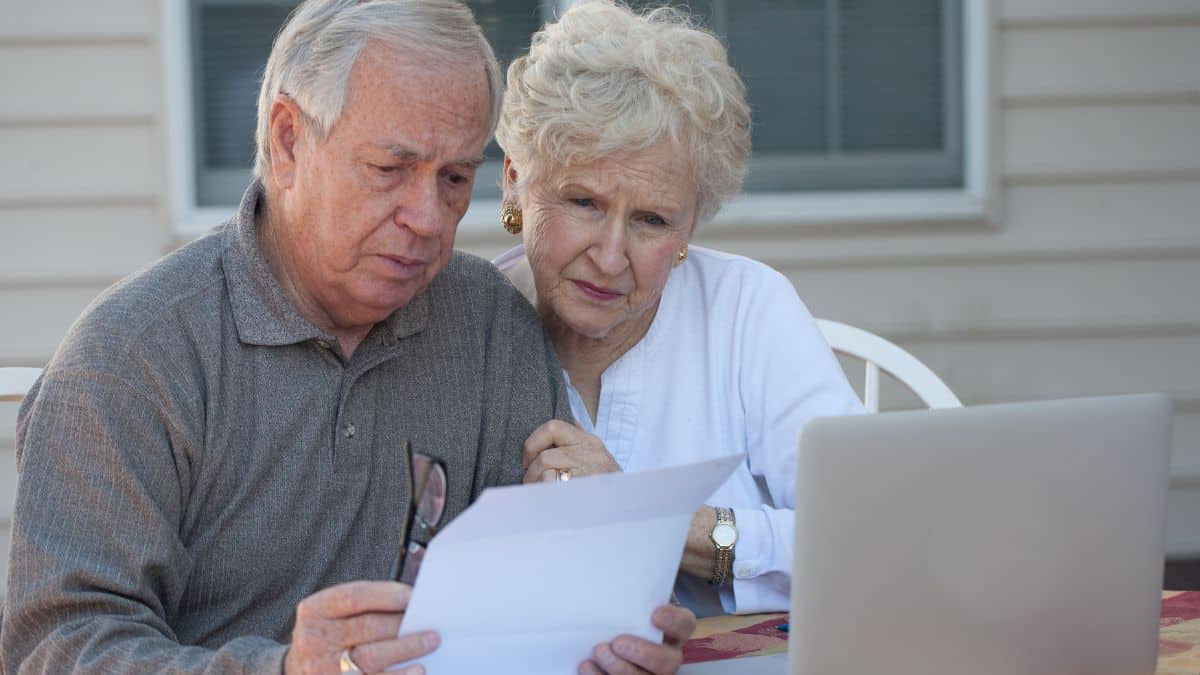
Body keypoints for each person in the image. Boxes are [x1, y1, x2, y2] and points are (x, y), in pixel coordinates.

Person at [0, 1, 693, 673]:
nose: (428, 217)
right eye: (390, 170)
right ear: (288, 142)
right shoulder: (131, 359)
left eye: (455, 178)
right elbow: (53, 649)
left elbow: (535, 592)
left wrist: (605, 628)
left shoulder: (488, 323)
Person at [493, 1, 865, 618]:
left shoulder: (747, 310)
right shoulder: (464, 331)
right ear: (514, 182)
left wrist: (651, 520)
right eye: (584, 202)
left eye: (652, 220)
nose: (610, 256)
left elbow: (868, 531)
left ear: (690, 227)